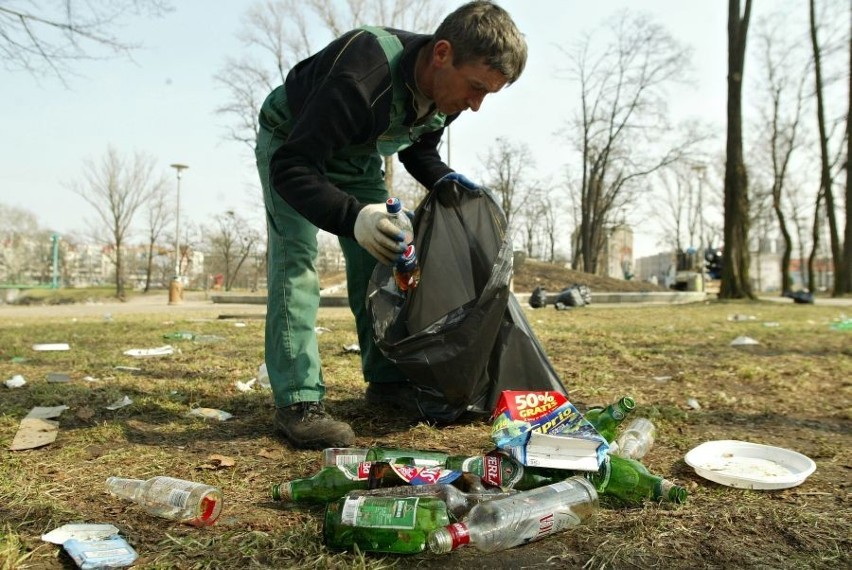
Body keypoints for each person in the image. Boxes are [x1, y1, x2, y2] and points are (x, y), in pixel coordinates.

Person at [255, 0, 527, 449]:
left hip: (359, 153)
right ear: (442, 54)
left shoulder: (450, 93)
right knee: (296, 260)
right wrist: (354, 216)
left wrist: (449, 182)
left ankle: (386, 382)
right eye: (476, 88)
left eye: (488, 95)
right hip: (293, 139)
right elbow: (293, 166)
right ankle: (298, 402)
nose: (476, 106)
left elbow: (417, 150)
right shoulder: (361, 74)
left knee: (385, 260)